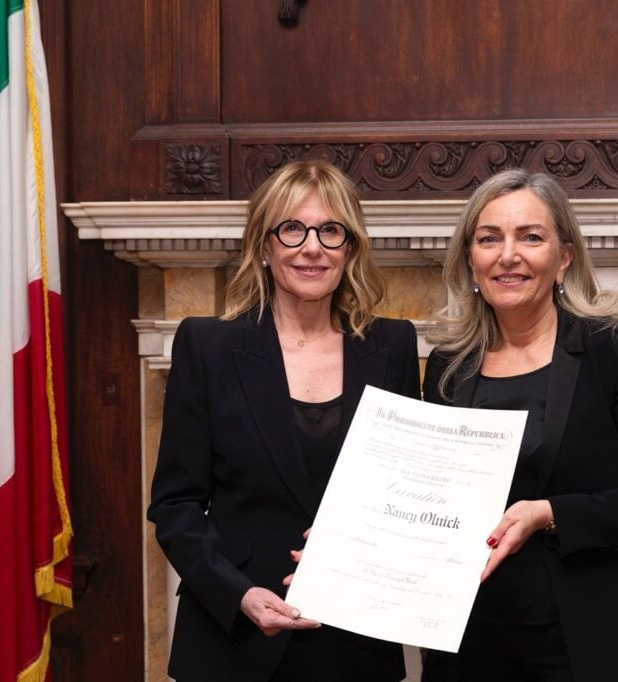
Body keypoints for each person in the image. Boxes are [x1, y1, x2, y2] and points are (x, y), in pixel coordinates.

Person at [420, 169, 618, 681]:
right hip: (473, 637)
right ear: (470, 260)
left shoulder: (615, 348)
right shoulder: (448, 365)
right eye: (489, 239)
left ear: (563, 257)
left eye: (531, 236)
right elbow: (430, 494)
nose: (508, 255)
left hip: (599, 634)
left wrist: (549, 513)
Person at [147, 160, 418, 682]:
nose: (311, 247)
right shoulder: (208, 345)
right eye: (292, 229)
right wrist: (238, 594)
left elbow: (405, 496)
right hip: (234, 637)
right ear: (264, 247)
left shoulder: (393, 345)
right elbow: (176, 504)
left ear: (350, 248)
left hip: (355, 639)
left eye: (330, 230)